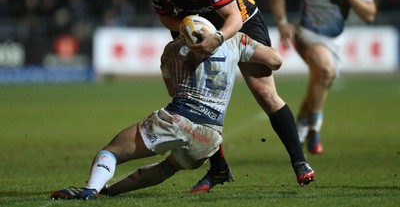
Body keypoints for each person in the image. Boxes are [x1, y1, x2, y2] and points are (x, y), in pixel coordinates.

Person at [146, 0, 315, 193]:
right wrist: (189, 28)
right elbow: (165, 17)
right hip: (198, 27)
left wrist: (218, 38)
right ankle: (219, 169)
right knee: (196, 103)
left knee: (265, 94)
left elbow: (233, 17)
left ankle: (300, 163)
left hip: (240, 22)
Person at [50, 16, 283, 200]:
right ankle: (109, 192)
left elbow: (172, 90)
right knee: (166, 168)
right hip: (211, 137)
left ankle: (91, 190)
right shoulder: (235, 41)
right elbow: (275, 61)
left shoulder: (173, 50)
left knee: (110, 151)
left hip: (178, 120)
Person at [268, 0, 376, 155]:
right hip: (306, 34)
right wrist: (282, 22)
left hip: (334, 39)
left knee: (321, 79)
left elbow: (369, 14)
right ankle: (314, 127)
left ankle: (302, 122)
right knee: (325, 72)